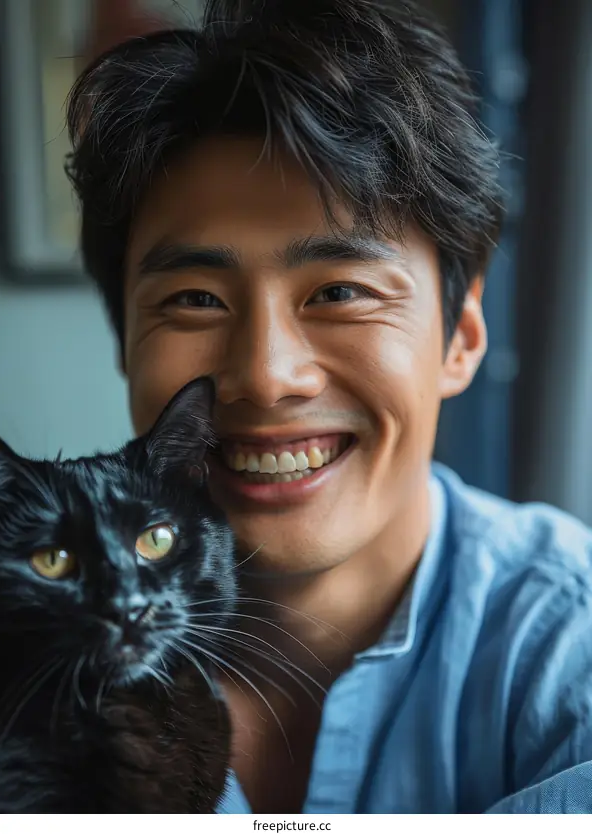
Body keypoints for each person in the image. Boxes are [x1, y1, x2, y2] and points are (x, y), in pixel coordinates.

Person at [66, 0, 592, 814]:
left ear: (463, 334)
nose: (268, 377)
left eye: (341, 291)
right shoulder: (29, 648)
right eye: (198, 299)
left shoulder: (567, 638)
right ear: (126, 342)